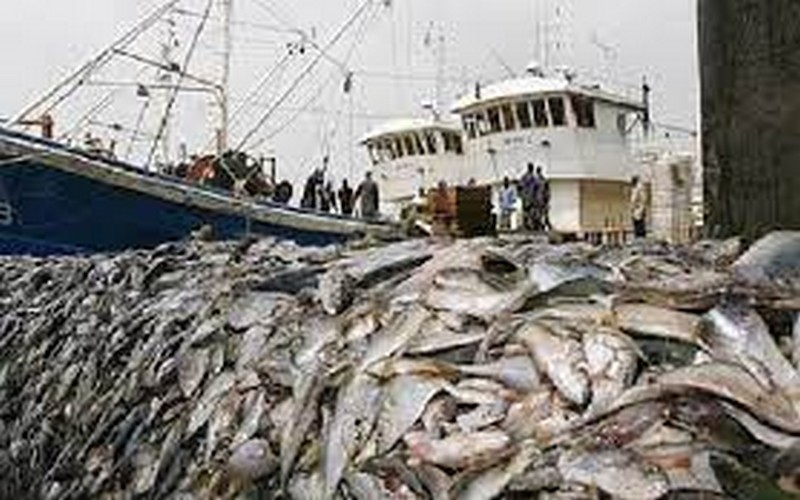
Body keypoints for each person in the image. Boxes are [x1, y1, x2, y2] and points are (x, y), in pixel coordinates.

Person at [520, 163, 540, 231]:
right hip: (527, 198)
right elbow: (520, 187)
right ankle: (526, 225)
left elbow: (537, 188)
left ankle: (530, 225)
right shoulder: (525, 177)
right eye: (531, 167)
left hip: (531, 198)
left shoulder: (533, 178)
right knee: (526, 213)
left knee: (532, 213)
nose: (531, 169)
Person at [536, 166, 551, 231]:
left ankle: (544, 226)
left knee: (542, 214)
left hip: (540, 200)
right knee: (542, 214)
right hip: (541, 200)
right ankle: (543, 226)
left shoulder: (539, 181)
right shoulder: (542, 180)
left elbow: (547, 191)